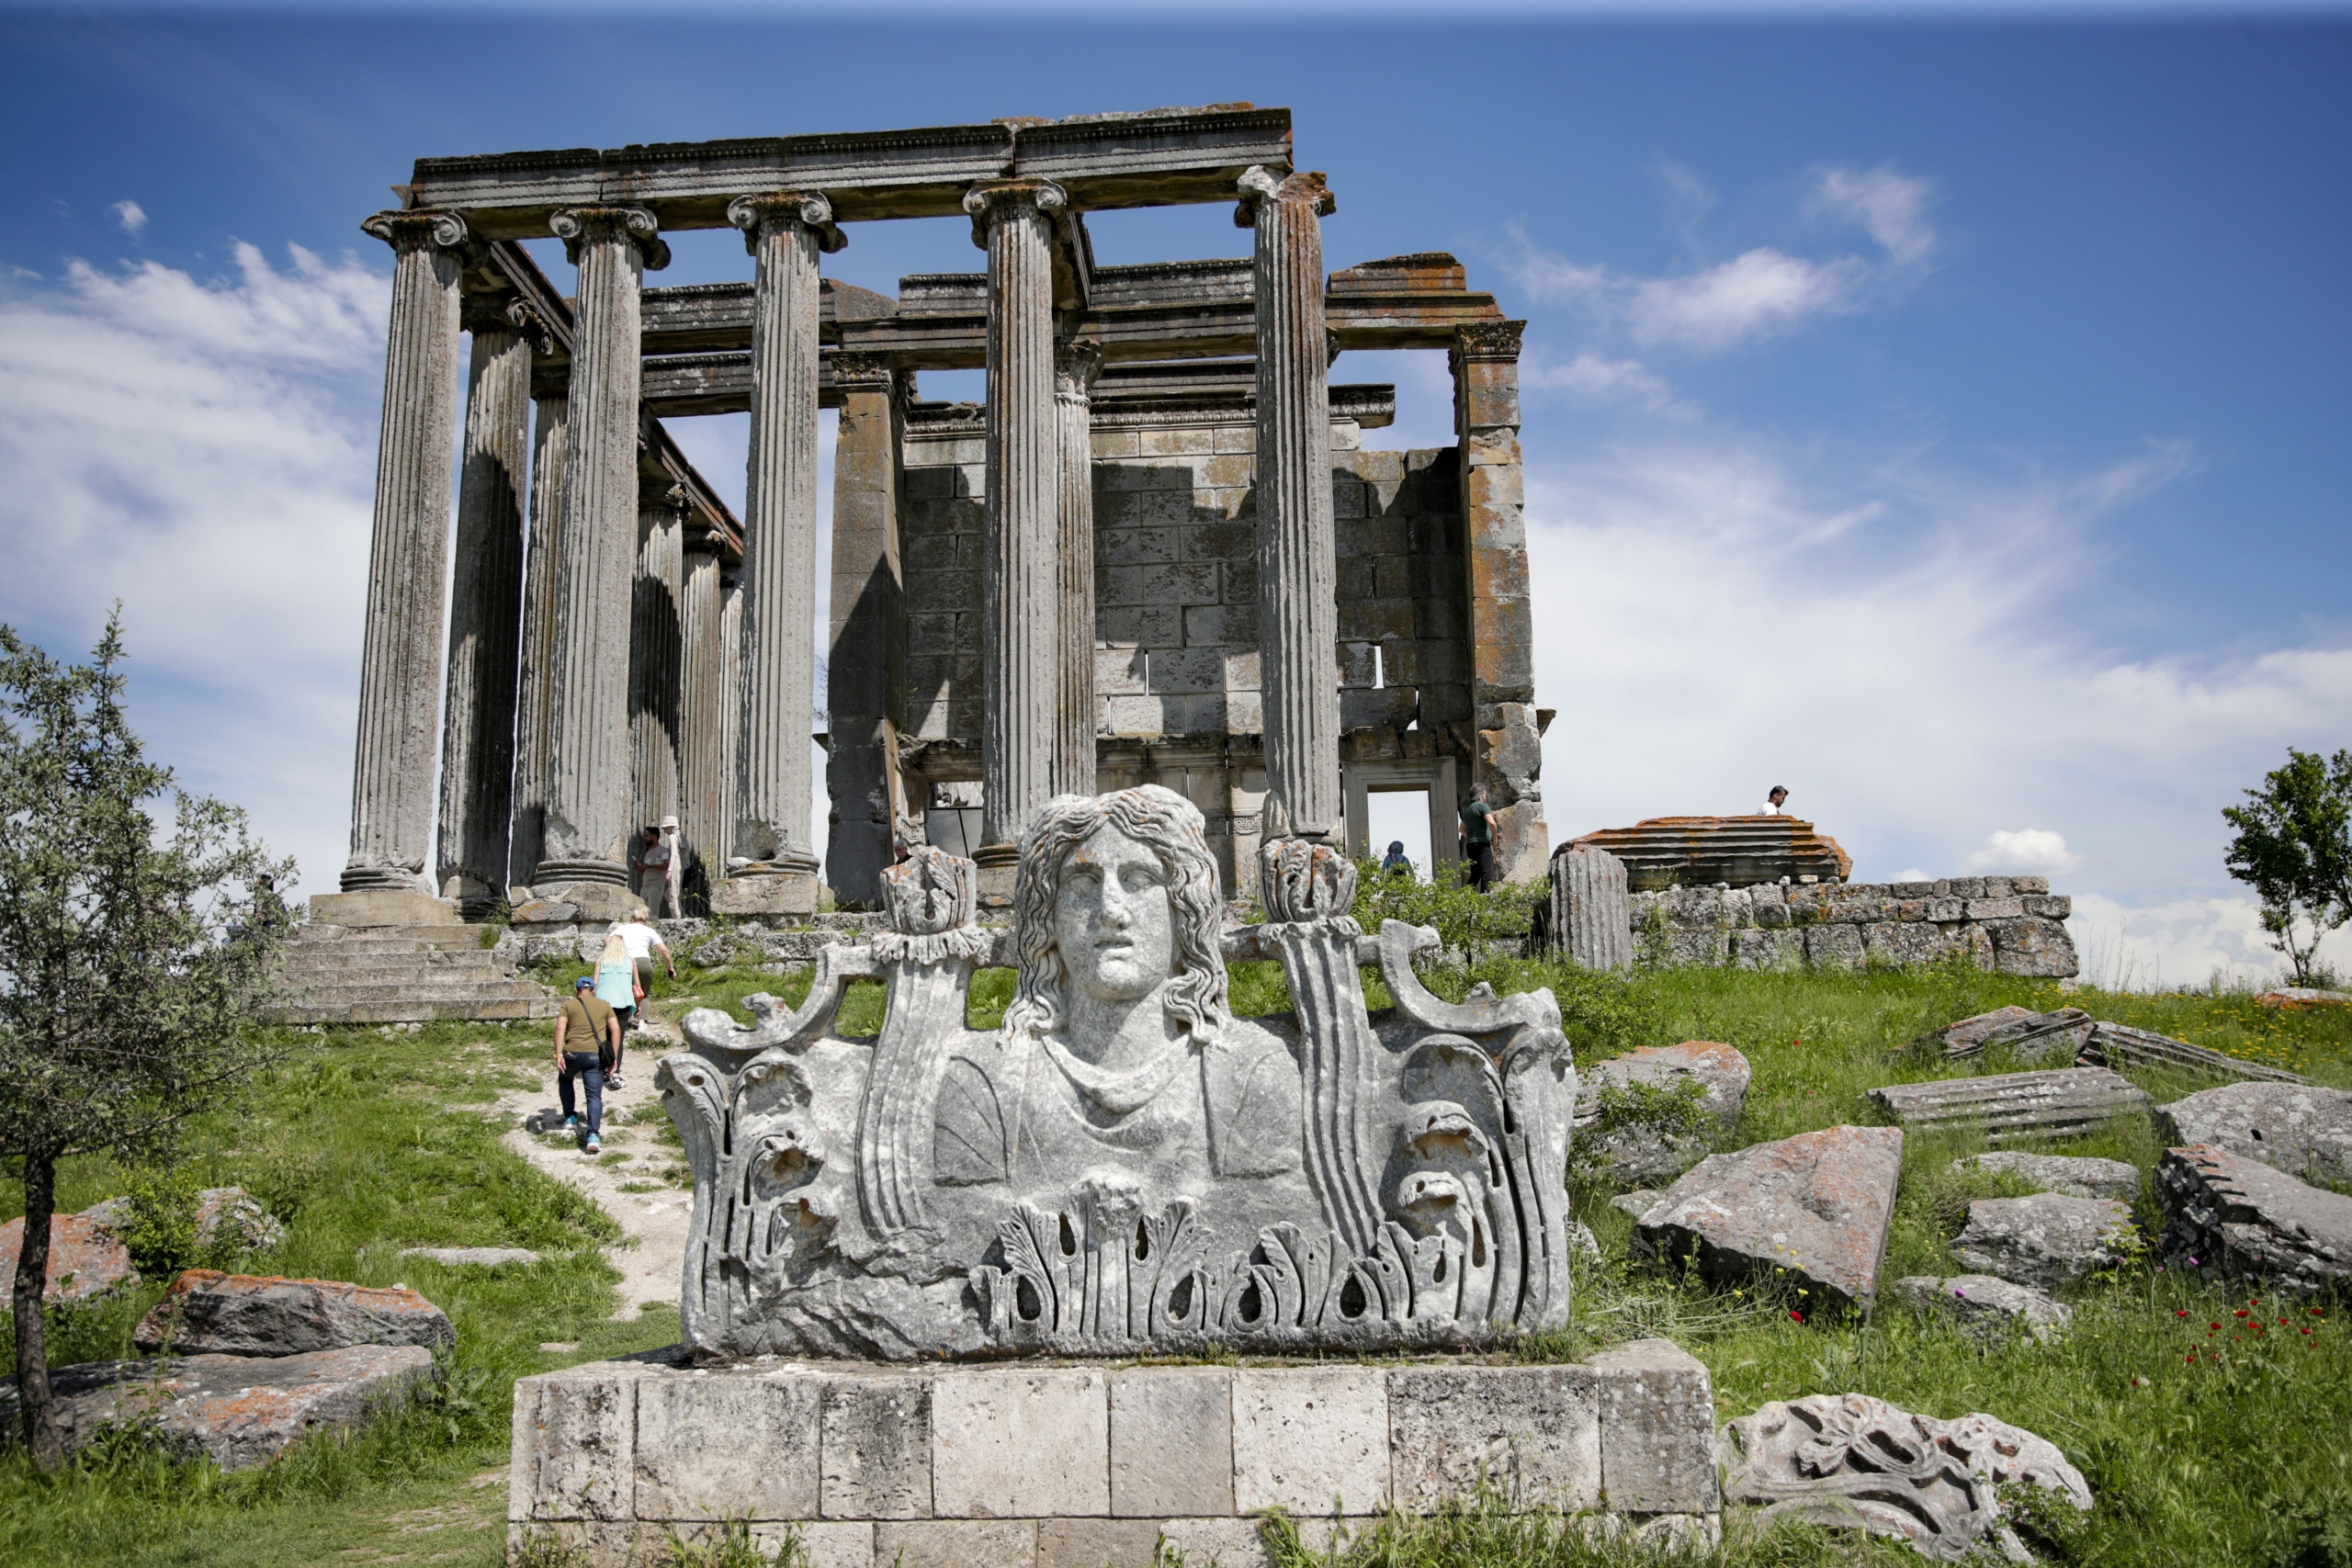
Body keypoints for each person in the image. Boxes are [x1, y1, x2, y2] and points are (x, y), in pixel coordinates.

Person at [555, 976, 621, 1156]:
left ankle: (570, 1117)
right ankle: (593, 1136)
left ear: (577, 990)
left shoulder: (569, 1005)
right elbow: (615, 1029)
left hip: (572, 1054)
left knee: (566, 1079)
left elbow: (560, 1028)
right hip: (594, 1056)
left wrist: (559, 1054)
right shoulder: (604, 1004)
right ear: (593, 990)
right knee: (594, 1096)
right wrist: (613, 1056)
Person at [607, 916, 675, 1087]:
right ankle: (642, 1022)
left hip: (623, 961)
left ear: (632, 918)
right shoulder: (648, 930)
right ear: (645, 919)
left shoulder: (622, 928)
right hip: (644, 962)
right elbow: (663, 950)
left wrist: (612, 955)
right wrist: (670, 966)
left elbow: (607, 940)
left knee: (625, 990)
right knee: (643, 992)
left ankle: (622, 1017)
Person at [593, 929, 643, 1084]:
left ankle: (601, 1068)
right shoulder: (631, 961)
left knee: (603, 1036)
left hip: (602, 1003)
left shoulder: (601, 961)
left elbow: (594, 985)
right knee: (618, 1037)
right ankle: (615, 1071)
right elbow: (637, 986)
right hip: (623, 1002)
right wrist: (639, 1005)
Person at [629, 822, 678, 919]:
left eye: (647, 835)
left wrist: (650, 865)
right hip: (645, 887)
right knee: (642, 916)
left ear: (654, 837)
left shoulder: (663, 850)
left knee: (653, 916)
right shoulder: (647, 854)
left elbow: (667, 865)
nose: (644, 838)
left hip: (656, 887)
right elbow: (644, 873)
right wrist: (636, 867)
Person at [1458, 784, 1496, 892]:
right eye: (1485, 793)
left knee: (1475, 875)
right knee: (1486, 874)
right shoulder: (1482, 806)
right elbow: (1491, 823)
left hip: (1470, 845)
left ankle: (1463, 896)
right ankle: (1486, 902)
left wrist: (1471, 837)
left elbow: (1461, 829)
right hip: (1482, 844)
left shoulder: (1468, 809)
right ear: (1482, 795)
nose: (1486, 796)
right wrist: (1494, 838)